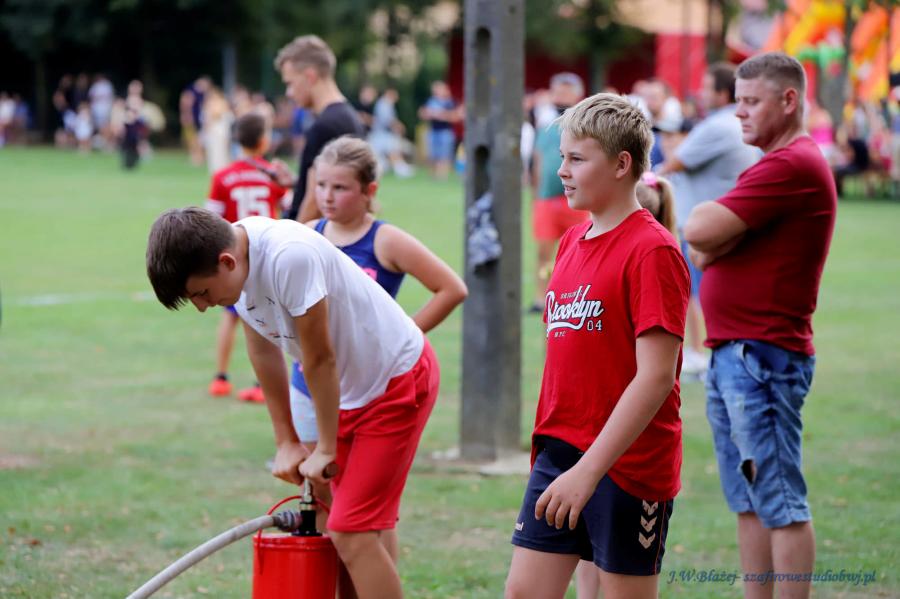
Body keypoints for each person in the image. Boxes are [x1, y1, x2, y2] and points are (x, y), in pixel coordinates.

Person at [146, 203, 440, 599]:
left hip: (396, 380)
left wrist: (325, 448)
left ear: (226, 262)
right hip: (352, 391)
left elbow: (319, 358)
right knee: (349, 525)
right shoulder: (237, 262)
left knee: (351, 531)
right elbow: (262, 352)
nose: (202, 306)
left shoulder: (288, 257)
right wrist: (285, 439)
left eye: (201, 293)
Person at [505, 93, 690, 599]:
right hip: (560, 451)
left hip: (626, 463)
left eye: (577, 159)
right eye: (562, 157)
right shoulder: (571, 241)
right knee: (523, 592)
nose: (561, 171)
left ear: (621, 164)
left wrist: (589, 472)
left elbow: (656, 377)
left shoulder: (652, 250)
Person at [684, 52, 836, 599]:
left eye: (751, 102)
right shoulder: (771, 165)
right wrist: (716, 239)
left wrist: (715, 236)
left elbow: (698, 229)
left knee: (780, 502)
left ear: (788, 100)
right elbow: (703, 250)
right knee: (747, 500)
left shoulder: (790, 164)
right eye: (738, 101)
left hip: (761, 356)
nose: (739, 113)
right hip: (736, 352)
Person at [289, 134, 466, 543]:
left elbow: (452, 289)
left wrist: (401, 337)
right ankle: (333, 577)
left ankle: (372, 573)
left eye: (340, 187)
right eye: (321, 185)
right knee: (321, 498)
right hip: (309, 386)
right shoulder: (308, 235)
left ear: (369, 190)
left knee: (366, 511)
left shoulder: (384, 239)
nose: (327, 196)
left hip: (370, 391)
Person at [658, 62, 761, 376]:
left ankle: (702, 356)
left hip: (703, 226)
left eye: (706, 87)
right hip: (727, 221)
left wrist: (667, 146)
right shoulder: (738, 124)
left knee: (697, 294)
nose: (701, 93)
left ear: (721, 92)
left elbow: (672, 164)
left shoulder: (717, 125)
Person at [204, 112, 290, 402]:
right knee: (270, 319)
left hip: (234, 259)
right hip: (267, 256)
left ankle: (220, 377)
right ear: (264, 140)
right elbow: (291, 210)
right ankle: (261, 384)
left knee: (230, 318)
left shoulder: (223, 176)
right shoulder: (273, 176)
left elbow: (211, 219)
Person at [271, 35, 365, 223]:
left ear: (310, 76)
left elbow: (314, 202)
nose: (289, 93)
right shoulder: (348, 117)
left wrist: (291, 236)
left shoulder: (325, 126)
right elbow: (337, 185)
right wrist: (297, 183)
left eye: (290, 83)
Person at [528, 72, 588, 314]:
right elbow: (537, 162)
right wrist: (536, 196)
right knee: (544, 252)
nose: (562, 96)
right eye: (559, 91)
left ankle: (575, 296)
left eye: (567, 91)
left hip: (578, 200)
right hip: (547, 199)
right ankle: (541, 296)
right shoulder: (546, 127)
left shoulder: (585, 127)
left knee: (579, 251)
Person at [418, 81, 459, 179]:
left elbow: (456, 116)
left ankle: (442, 175)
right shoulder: (431, 101)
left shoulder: (450, 102)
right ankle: (433, 176)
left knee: (444, 155)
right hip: (433, 131)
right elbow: (421, 113)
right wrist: (429, 114)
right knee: (432, 154)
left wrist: (440, 115)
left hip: (445, 132)